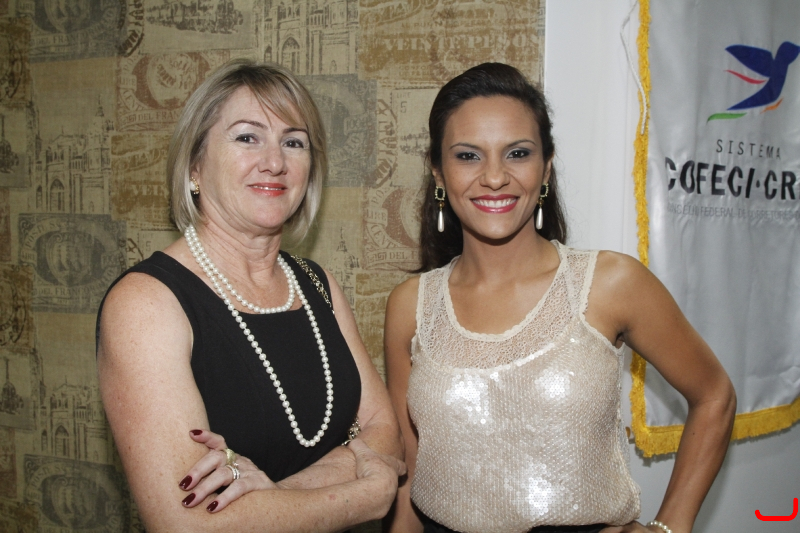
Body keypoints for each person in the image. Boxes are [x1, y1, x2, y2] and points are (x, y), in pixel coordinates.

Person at [383, 63, 736, 533]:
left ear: (546, 166)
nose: (494, 177)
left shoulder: (609, 283)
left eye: (518, 153)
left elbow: (714, 395)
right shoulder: (411, 306)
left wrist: (670, 526)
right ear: (438, 172)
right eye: (468, 156)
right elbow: (410, 467)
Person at [97, 58, 404, 532]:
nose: (275, 162)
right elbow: (189, 525)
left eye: (293, 142)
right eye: (247, 137)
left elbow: (385, 432)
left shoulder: (317, 284)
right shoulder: (146, 304)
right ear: (195, 164)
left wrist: (275, 498)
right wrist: (363, 495)